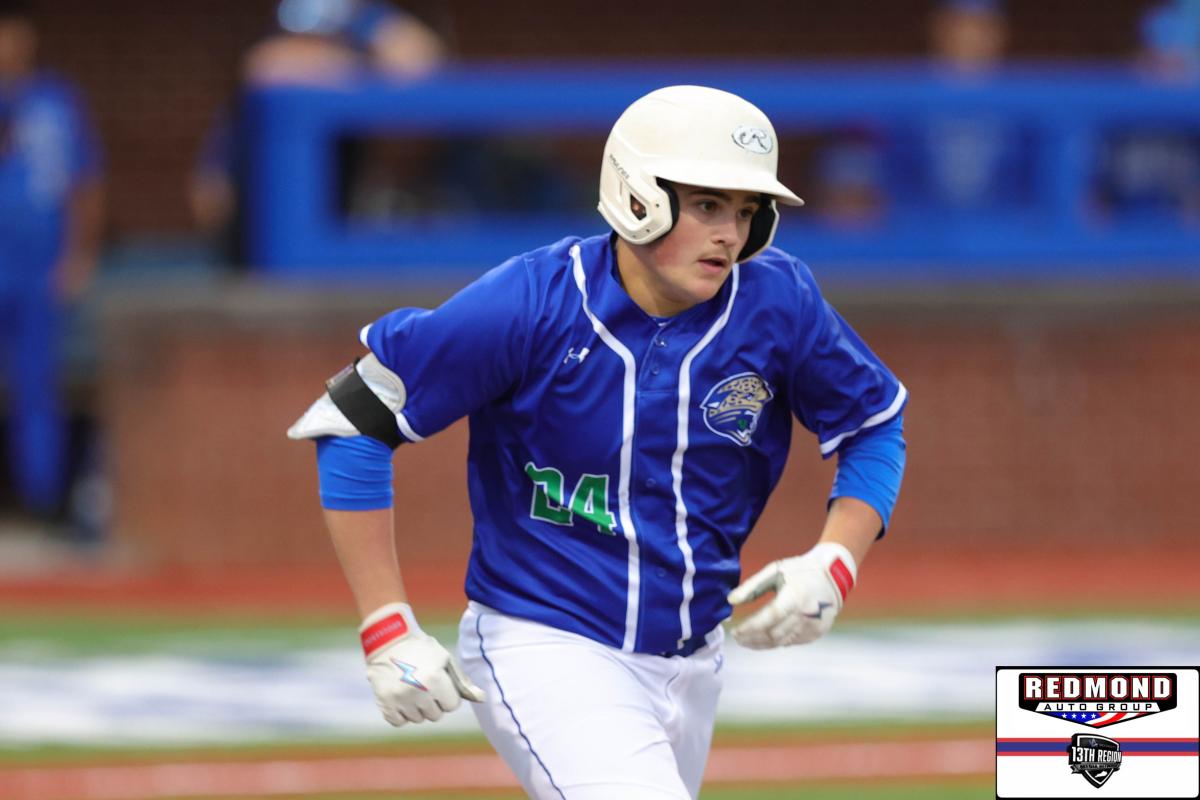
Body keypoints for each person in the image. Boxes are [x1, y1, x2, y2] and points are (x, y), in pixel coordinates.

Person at [289, 85, 907, 799]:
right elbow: (352, 423)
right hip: (544, 641)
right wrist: (386, 625)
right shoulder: (530, 301)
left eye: (745, 212)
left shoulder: (778, 302)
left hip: (695, 657)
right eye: (708, 205)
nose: (730, 235)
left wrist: (835, 561)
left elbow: (874, 424)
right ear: (636, 195)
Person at [188, 0, 445, 265]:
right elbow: (267, 65)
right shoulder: (271, 59)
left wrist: (363, 23)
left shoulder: (358, 34)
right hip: (262, 234)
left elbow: (419, 60)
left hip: (331, 235)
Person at [0, 0, 103, 516]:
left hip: (38, 264)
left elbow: (86, 184)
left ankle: (41, 500)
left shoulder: (56, 101)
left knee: (38, 384)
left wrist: (78, 255)